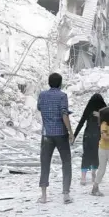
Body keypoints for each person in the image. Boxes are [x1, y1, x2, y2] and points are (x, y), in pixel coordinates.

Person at [37, 73, 74, 204]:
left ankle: (44, 196)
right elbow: (64, 114)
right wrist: (70, 131)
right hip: (61, 134)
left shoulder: (42, 95)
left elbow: (40, 108)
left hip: (47, 134)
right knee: (66, 162)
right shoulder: (62, 96)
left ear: (49, 82)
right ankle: (66, 194)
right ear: (60, 83)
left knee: (45, 163)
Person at [73, 93, 107, 185]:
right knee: (96, 155)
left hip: (88, 135)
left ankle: (84, 177)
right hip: (98, 136)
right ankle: (93, 174)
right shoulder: (104, 111)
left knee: (86, 155)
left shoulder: (89, 108)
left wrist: (74, 136)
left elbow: (81, 122)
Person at [91, 107, 109, 198]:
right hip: (103, 149)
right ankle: (95, 187)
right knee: (102, 169)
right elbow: (104, 137)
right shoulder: (104, 124)